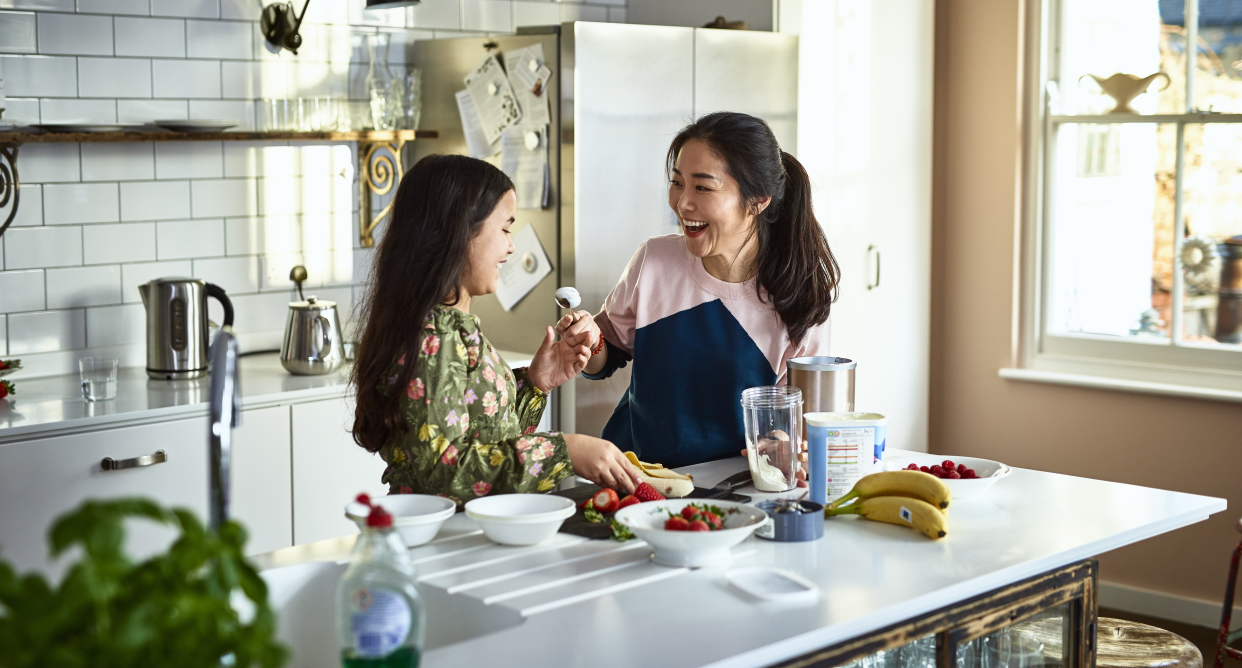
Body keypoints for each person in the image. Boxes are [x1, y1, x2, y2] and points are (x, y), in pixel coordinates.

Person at [351, 154, 640, 504]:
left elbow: (485, 442)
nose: (511, 246)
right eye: (504, 228)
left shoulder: (452, 328)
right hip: (444, 539)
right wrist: (564, 450)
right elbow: (446, 472)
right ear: (458, 232)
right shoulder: (432, 336)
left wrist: (535, 383)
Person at [561, 112, 841, 469]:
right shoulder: (654, 260)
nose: (682, 203)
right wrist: (587, 341)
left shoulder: (800, 299)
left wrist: (786, 444)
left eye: (703, 187)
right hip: (636, 477)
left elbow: (793, 423)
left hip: (732, 487)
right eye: (677, 183)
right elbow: (608, 353)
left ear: (758, 200)